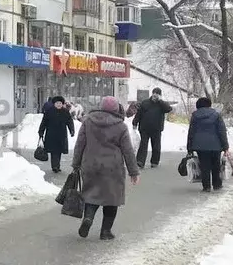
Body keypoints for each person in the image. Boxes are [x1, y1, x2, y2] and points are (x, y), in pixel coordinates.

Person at [71, 96, 139, 240]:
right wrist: (134, 172)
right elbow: (128, 150)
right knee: (111, 200)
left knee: (91, 194)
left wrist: (76, 164)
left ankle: (88, 218)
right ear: (116, 108)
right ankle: (105, 232)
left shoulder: (88, 121)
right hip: (112, 168)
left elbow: (80, 144)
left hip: (90, 165)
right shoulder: (120, 126)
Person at [187, 97, 230, 192]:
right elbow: (222, 131)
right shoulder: (216, 115)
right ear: (209, 105)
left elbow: (191, 132)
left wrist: (189, 147)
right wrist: (225, 146)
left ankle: (206, 186)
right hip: (216, 145)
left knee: (204, 166)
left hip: (200, 146)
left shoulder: (195, 116)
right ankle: (217, 184)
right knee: (216, 165)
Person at [132, 87, 174, 169]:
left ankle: (155, 162)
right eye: (154, 93)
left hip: (157, 128)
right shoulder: (145, 103)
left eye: (157, 93)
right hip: (144, 128)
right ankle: (140, 161)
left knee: (156, 146)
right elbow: (139, 114)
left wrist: (160, 101)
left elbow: (169, 109)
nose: (155, 95)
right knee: (143, 145)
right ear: (152, 94)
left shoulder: (162, 104)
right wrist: (135, 122)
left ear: (160, 95)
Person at [38, 96, 75, 174]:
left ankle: (57, 165)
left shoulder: (65, 112)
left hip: (61, 135)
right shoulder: (49, 111)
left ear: (62, 104)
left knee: (59, 151)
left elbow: (69, 121)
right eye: (57, 103)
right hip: (51, 134)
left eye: (60, 103)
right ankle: (55, 166)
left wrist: (72, 130)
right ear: (54, 104)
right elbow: (44, 122)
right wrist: (41, 132)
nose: (59, 105)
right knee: (53, 151)